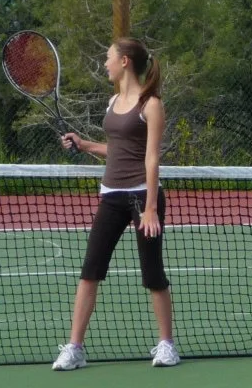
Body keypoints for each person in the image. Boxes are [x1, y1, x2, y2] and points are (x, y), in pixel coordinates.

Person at [52, 38, 179, 370]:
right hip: (110, 196)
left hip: (142, 196)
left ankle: (167, 345)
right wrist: (84, 144)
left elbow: (151, 159)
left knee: (153, 273)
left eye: (108, 58)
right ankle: (75, 348)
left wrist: (150, 208)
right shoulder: (112, 102)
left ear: (124, 61)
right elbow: (117, 149)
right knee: (90, 270)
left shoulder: (151, 104)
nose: (104, 63)